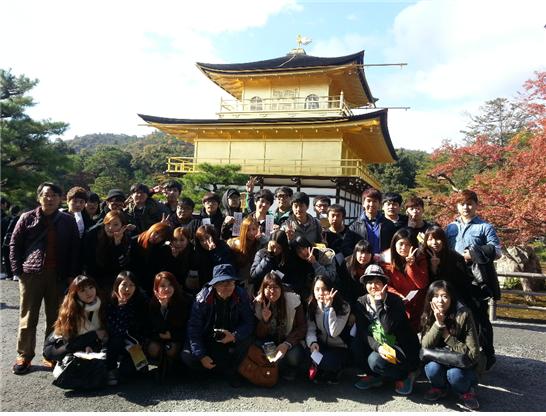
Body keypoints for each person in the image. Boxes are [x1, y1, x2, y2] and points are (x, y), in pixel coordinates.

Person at [10, 182, 80, 375]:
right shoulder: (27, 218)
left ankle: (51, 354)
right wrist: (18, 271)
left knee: (55, 318)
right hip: (31, 274)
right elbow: (14, 244)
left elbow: (75, 248)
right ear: (39, 197)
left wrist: (71, 275)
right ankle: (24, 355)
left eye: (54, 195)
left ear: (60, 199)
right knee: (28, 317)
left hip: (58, 274)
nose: (49, 199)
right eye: (46, 195)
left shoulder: (67, 220)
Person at [445, 189, 502, 370]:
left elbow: (497, 251)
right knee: (456, 316)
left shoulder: (485, 227)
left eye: (470, 204)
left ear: (476, 205)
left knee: (479, 317)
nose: (466, 207)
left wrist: (474, 253)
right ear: (457, 206)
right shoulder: (450, 228)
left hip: (476, 280)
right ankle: (462, 350)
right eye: (462, 204)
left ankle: (488, 354)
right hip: (455, 279)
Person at [352, 265, 420, 396]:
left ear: (384, 284)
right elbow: (363, 330)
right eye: (369, 282)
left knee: (375, 361)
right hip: (380, 343)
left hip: (400, 347)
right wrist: (378, 347)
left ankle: (406, 375)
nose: (373, 286)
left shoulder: (395, 301)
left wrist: (379, 302)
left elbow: (388, 328)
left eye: (377, 282)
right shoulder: (361, 302)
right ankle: (376, 376)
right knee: (356, 345)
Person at [182, 264, 254, 387]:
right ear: (214, 285)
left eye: (230, 283)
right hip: (208, 338)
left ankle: (231, 371)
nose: (227, 287)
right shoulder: (202, 299)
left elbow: (248, 323)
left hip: (230, 337)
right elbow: (194, 329)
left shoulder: (241, 295)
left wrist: (234, 336)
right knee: (188, 356)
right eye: (222, 283)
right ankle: (209, 371)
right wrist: (202, 355)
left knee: (246, 340)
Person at [420, 280, 485, 410]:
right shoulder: (429, 313)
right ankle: (439, 388)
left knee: (455, 374)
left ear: (451, 298)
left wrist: (447, 336)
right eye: (436, 296)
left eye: (445, 296)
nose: (440, 300)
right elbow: (425, 346)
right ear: (430, 299)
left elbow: (473, 354)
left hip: (462, 364)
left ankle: (466, 391)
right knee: (432, 368)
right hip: (439, 359)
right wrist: (438, 323)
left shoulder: (463, 314)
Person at [43, 275, 107, 369]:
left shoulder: (101, 304)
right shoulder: (71, 309)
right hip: (60, 344)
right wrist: (93, 337)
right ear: (76, 294)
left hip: (83, 342)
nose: (88, 292)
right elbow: (69, 339)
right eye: (82, 290)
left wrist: (89, 344)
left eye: (91, 287)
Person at [254, 271, 307, 381]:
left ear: (281, 289)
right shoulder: (259, 303)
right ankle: (275, 369)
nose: (272, 291)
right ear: (263, 289)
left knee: (293, 357)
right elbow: (258, 334)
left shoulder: (293, 301)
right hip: (269, 341)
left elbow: (302, 327)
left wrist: (286, 344)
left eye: (276, 287)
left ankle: (289, 369)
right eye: (268, 287)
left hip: (288, 340)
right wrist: (264, 321)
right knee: (256, 347)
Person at [381, 228, 429, 333]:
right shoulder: (386, 261)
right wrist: (398, 296)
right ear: (394, 244)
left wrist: (412, 265)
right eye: (401, 244)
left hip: (418, 306)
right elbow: (386, 285)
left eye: (408, 245)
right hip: (398, 305)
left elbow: (421, 284)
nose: (404, 248)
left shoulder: (420, 258)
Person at [105, 271, 148, 386]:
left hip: (134, 344)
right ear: (117, 286)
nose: (127, 289)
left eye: (131, 285)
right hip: (115, 342)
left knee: (131, 373)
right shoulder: (110, 303)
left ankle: (135, 365)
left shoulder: (140, 301)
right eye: (124, 285)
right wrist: (121, 308)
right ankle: (111, 370)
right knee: (116, 340)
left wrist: (141, 343)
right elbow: (115, 330)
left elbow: (143, 327)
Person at [145, 271, 192, 377]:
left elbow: (187, 328)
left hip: (179, 338)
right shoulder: (152, 304)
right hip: (159, 338)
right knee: (153, 348)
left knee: (172, 349)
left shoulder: (185, 301)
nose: (167, 288)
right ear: (156, 289)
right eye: (162, 286)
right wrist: (163, 308)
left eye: (170, 285)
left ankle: (174, 369)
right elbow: (152, 328)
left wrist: (172, 335)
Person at [306, 275, 351, 384]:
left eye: (324, 289)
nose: (320, 293)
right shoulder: (312, 306)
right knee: (305, 354)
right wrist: (312, 342)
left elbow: (334, 332)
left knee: (325, 361)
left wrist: (329, 308)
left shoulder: (344, 307)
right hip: (322, 344)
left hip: (339, 347)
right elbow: (311, 329)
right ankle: (322, 369)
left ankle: (336, 369)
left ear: (331, 289)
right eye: (317, 289)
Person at [423, 226, 475, 309]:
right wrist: (434, 268)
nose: (434, 242)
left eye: (438, 239)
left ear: (443, 240)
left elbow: (464, 283)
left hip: (453, 298)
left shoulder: (455, 257)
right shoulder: (422, 257)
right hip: (429, 299)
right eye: (430, 239)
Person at [83, 210, 132, 292]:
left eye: (115, 225)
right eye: (108, 224)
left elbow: (121, 263)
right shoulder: (93, 235)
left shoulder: (126, 237)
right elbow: (88, 260)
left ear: (122, 226)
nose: (110, 228)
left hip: (113, 277)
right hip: (94, 276)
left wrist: (117, 243)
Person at [350, 188, 396, 254]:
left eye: (375, 201)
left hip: (383, 259)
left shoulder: (389, 224)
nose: (371, 204)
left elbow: (394, 245)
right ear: (363, 203)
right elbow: (347, 247)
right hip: (362, 260)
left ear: (379, 204)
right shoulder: (354, 225)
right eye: (368, 201)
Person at [131, 222, 172, 295]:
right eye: (156, 232)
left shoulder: (163, 249)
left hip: (150, 287)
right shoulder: (135, 241)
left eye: (161, 236)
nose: (156, 237)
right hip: (132, 282)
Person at [335, 239, 375, 308]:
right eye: (361, 252)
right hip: (349, 299)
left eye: (367, 253)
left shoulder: (374, 267)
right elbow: (343, 287)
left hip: (369, 300)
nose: (364, 256)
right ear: (355, 252)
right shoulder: (346, 265)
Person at [227, 216, 262, 295]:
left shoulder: (260, 244)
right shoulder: (234, 243)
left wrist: (263, 239)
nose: (251, 233)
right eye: (248, 230)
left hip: (253, 283)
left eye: (254, 229)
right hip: (237, 282)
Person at [158, 227, 198, 293]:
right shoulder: (166, 250)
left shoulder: (192, 253)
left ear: (188, 240)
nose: (178, 243)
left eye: (182, 240)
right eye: (175, 240)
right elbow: (164, 272)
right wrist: (174, 258)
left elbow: (190, 275)